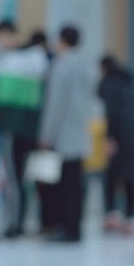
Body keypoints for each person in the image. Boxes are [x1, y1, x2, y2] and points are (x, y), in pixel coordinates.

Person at [38, 26, 92, 242]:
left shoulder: (62, 66)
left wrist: (46, 135)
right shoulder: (86, 65)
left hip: (63, 134)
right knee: (76, 184)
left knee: (64, 186)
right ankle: (75, 227)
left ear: (62, 41)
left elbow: (56, 104)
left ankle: (66, 228)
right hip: (81, 132)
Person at [0, 30, 49, 238]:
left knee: (14, 179)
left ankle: (14, 223)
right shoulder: (40, 66)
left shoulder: (9, 64)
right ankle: (25, 221)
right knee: (27, 179)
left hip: (12, 130)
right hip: (32, 131)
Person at [98, 55, 134, 235]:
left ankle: (112, 214)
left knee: (111, 175)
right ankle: (130, 218)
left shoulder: (109, 85)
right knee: (131, 177)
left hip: (120, 135)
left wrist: (110, 137)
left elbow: (111, 113)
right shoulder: (130, 85)